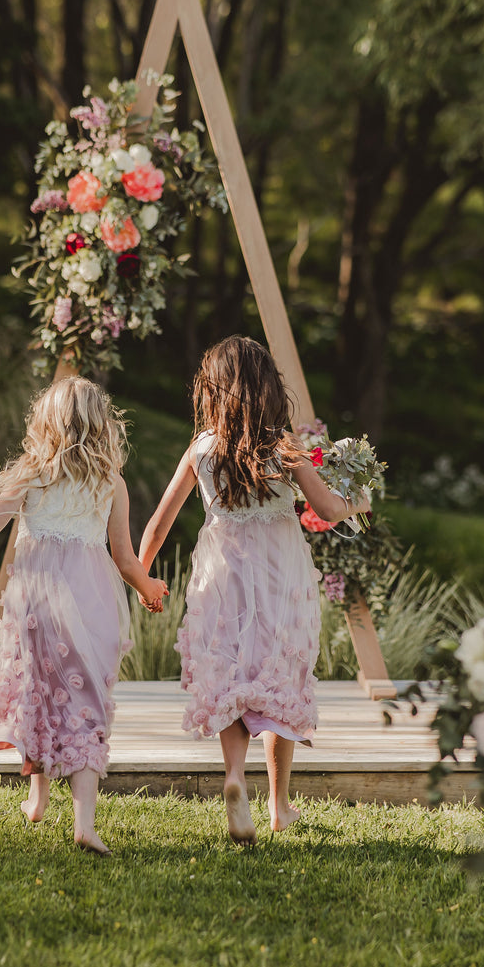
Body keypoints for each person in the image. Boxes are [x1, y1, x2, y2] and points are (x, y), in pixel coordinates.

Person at [139, 336, 368, 844]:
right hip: (278, 577)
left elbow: (158, 524)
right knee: (278, 674)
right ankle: (280, 806)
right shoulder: (284, 447)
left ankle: (235, 777)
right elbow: (328, 511)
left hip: (222, 575)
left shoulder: (201, 447)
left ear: (213, 390)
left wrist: (144, 577)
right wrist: (360, 500)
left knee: (231, 674)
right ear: (267, 388)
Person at [0, 376, 167, 855]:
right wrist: (151, 589)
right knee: (83, 700)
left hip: (36, 603)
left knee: (37, 690)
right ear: (101, 424)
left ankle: (38, 798)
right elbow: (126, 559)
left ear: (45, 422)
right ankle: (83, 822)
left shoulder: (31, 472)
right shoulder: (111, 481)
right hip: (92, 602)